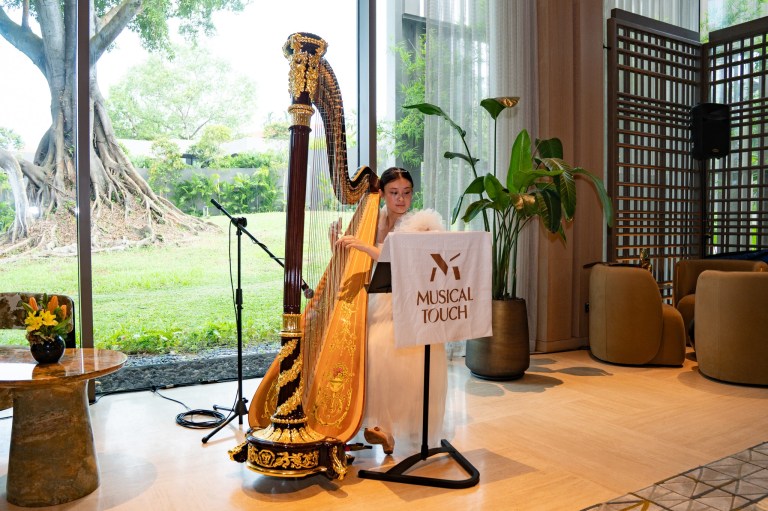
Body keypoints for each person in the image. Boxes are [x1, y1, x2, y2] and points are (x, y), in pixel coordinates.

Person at [334, 167, 450, 456]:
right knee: (373, 355)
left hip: (409, 305)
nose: (401, 199)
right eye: (394, 193)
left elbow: (400, 255)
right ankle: (383, 429)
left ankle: (391, 427)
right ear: (382, 194)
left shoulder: (422, 223)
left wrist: (363, 246)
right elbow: (352, 260)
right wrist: (338, 239)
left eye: (407, 193)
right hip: (378, 300)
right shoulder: (374, 220)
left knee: (386, 355)